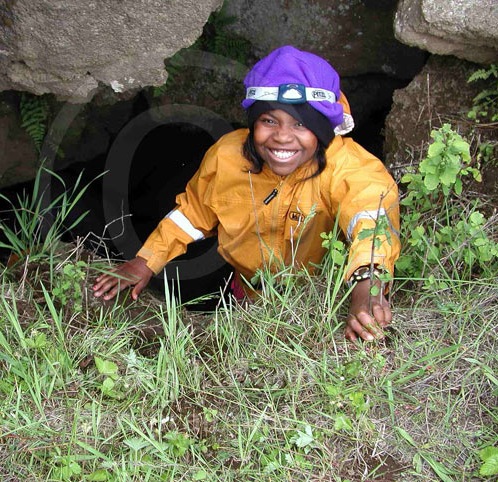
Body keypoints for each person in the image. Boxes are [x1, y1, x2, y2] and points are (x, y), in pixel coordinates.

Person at [93, 46, 400, 342]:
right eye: (269, 120)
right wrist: (146, 262)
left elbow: (371, 219)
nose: (282, 136)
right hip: (247, 290)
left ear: (321, 130)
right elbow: (193, 213)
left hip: (318, 298)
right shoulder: (228, 157)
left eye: (301, 123)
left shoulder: (348, 167)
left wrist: (367, 288)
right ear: (253, 123)